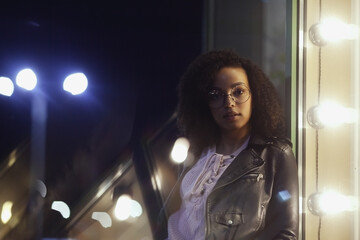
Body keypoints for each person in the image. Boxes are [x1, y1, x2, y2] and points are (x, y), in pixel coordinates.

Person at [166, 49, 299, 240]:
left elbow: (285, 234)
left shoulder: (275, 155)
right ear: (204, 103)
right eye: (216, 95)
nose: (228, 102)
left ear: (256, 95)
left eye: (238, 91)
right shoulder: (197, 159)